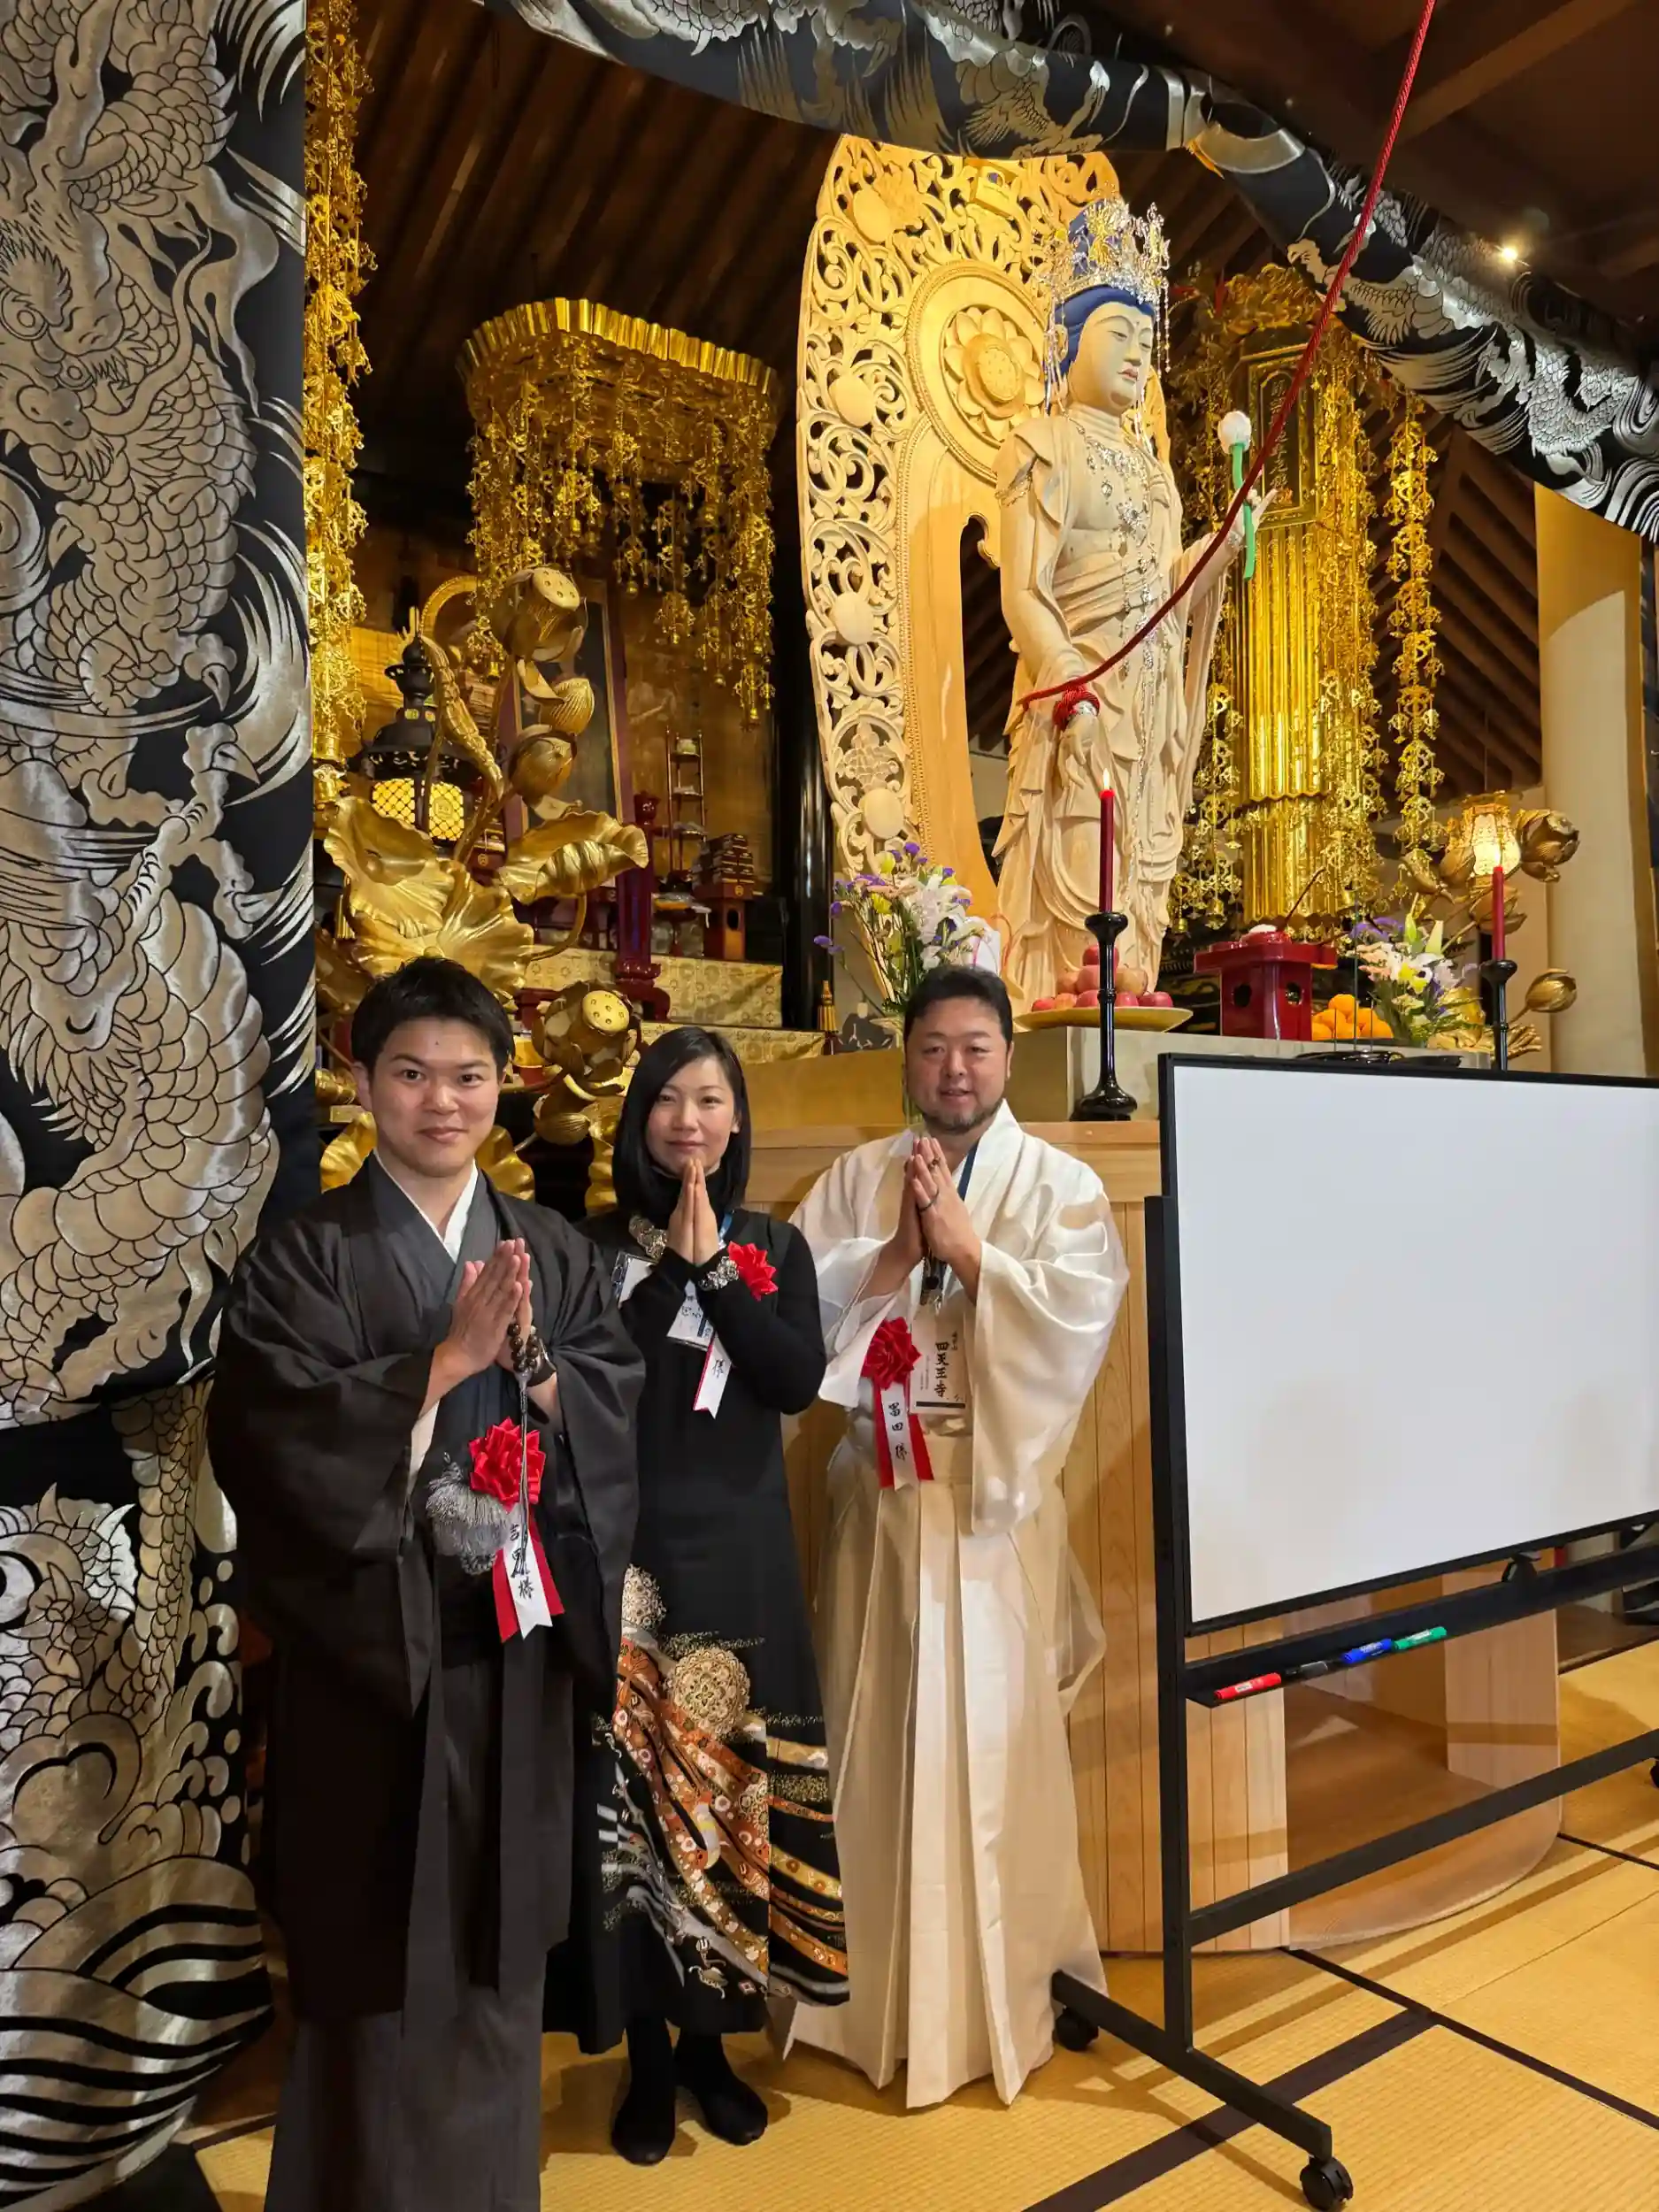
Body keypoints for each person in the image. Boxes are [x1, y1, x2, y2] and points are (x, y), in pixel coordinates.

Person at [208, 956, 641, 2212]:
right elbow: (271, 1438)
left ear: (505, 1087)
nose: (441, 1101)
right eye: (410, 1074)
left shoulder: (547, 1248)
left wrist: (537, 1367)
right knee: (371, 1969)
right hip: (373, 1668)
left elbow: (612, 1412)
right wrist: (442, 1365)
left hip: (514, 1656)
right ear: (361, 1083)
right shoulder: (306, 1257)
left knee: (499, 1970)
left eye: (468, 1076)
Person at [789, 966, 1126, 2108]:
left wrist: (976, 1255)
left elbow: (1077, 1320)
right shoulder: (854, 1180)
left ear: (1008, 1057)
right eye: (933, 1047)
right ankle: (858, 1996)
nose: (955, 1070)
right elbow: (797, 1322)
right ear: (907, 1059)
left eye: (976, 1047)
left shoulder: (1064, 1186)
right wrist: (893, 1251)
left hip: (990, 1512)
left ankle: (1009, 1993)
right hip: (883, 1505)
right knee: (871, 1732)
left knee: (999, 1753)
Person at [565, 1025, 849, 2164]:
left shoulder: (775, 1243)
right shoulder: (593, 1248)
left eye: (712, 1100)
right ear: (640, 1118)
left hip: (743, 1553)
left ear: (737, 1120)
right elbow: (590, 1387)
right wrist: (670, 1274)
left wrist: (717, 1272)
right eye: (669, 1099)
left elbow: (793, 1380)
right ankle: (644, 2055)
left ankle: (710, 2049)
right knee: (636, 1800)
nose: (690, 1120)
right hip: (629, 1557)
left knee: (728, 1794)